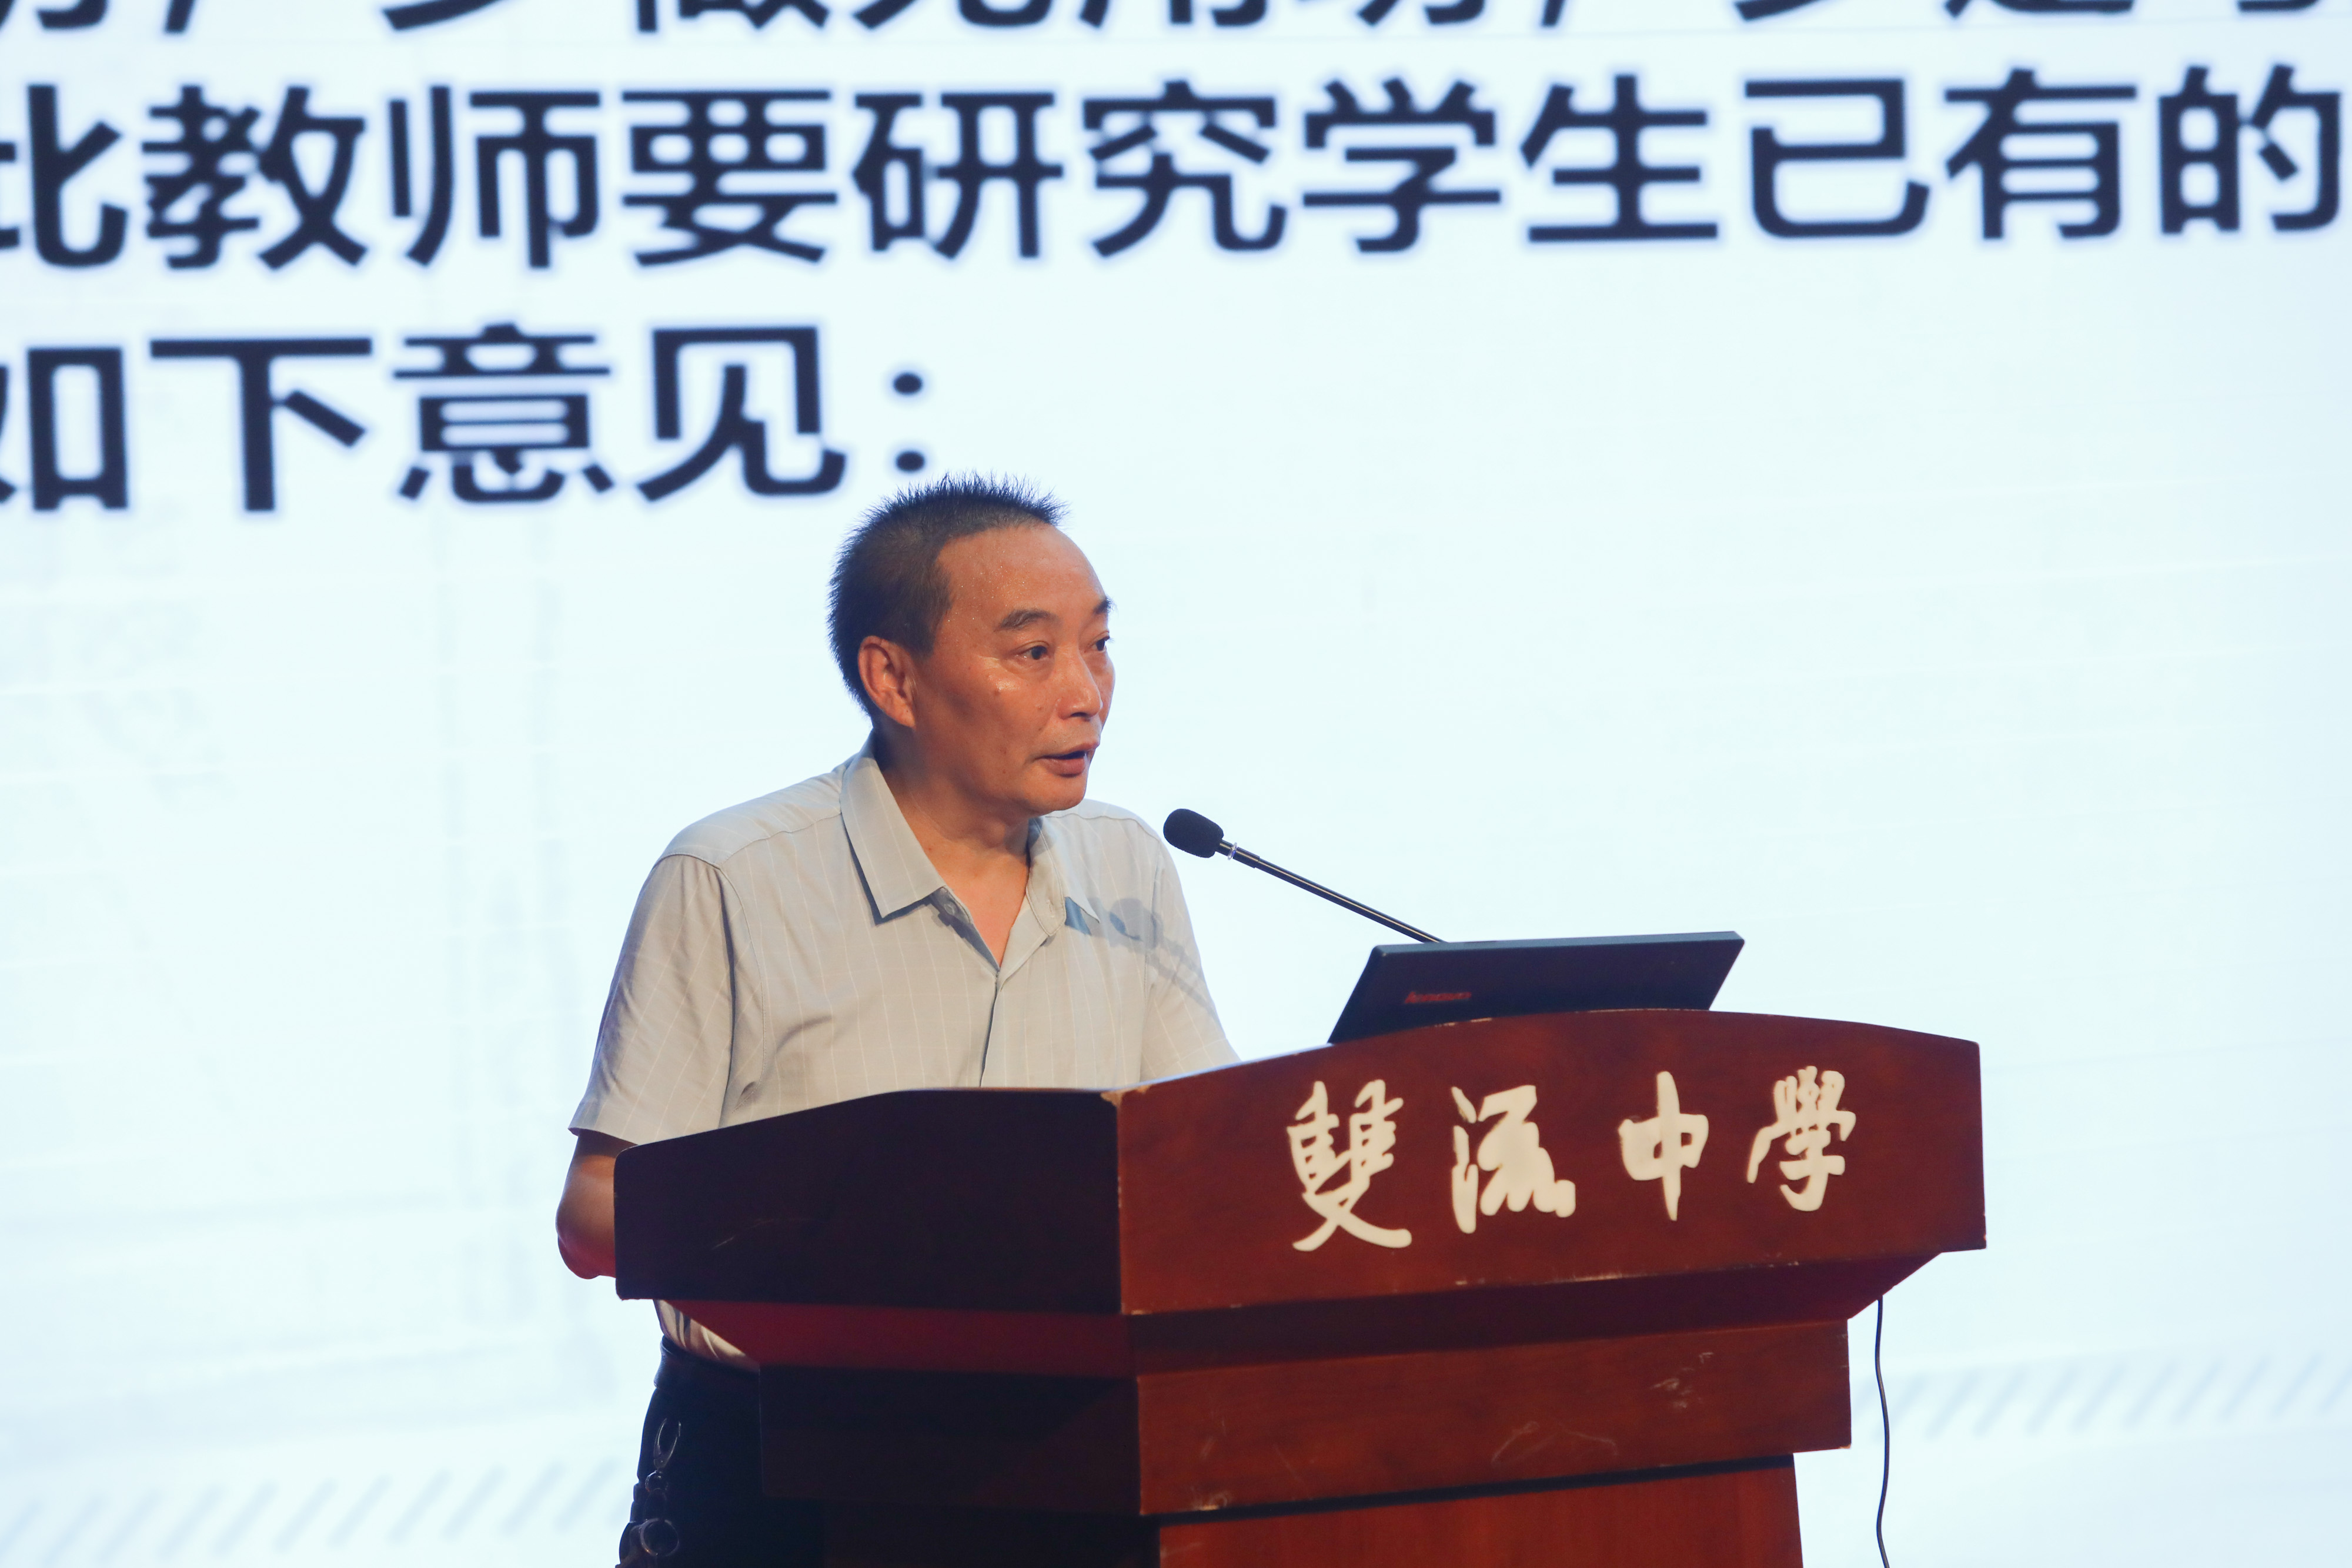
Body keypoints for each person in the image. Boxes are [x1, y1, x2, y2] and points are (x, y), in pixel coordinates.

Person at [555, 476, 1236, 1567]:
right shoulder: (736, 876)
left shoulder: (1127, 863)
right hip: (787, 1466)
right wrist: (849, 1260)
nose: (1086, 694)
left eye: (1099, 647)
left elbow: (1207, 1160)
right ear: (894, 678)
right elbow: (596, 1212)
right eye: (1034, 653)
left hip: (1076, 1455)